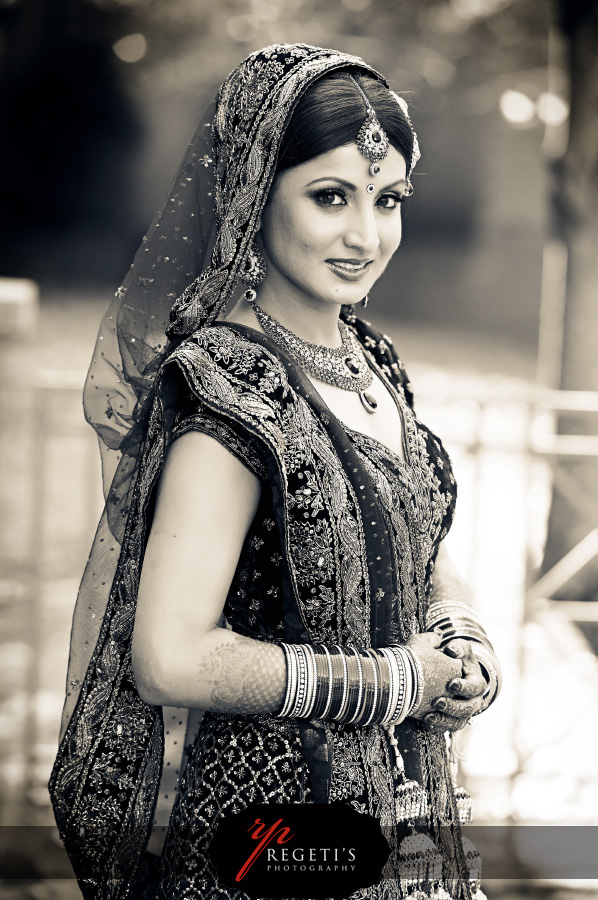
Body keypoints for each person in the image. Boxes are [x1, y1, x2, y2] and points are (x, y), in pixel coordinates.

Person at [49, 43, 501, 900]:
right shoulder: (228, 390)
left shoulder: (371, 362)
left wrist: (464, 635)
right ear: (254, 194)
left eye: (388, 200)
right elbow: (171, 656)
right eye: (330, 197)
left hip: (404, 817)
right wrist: (400, 678)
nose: (365, 235)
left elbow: (409, 536)